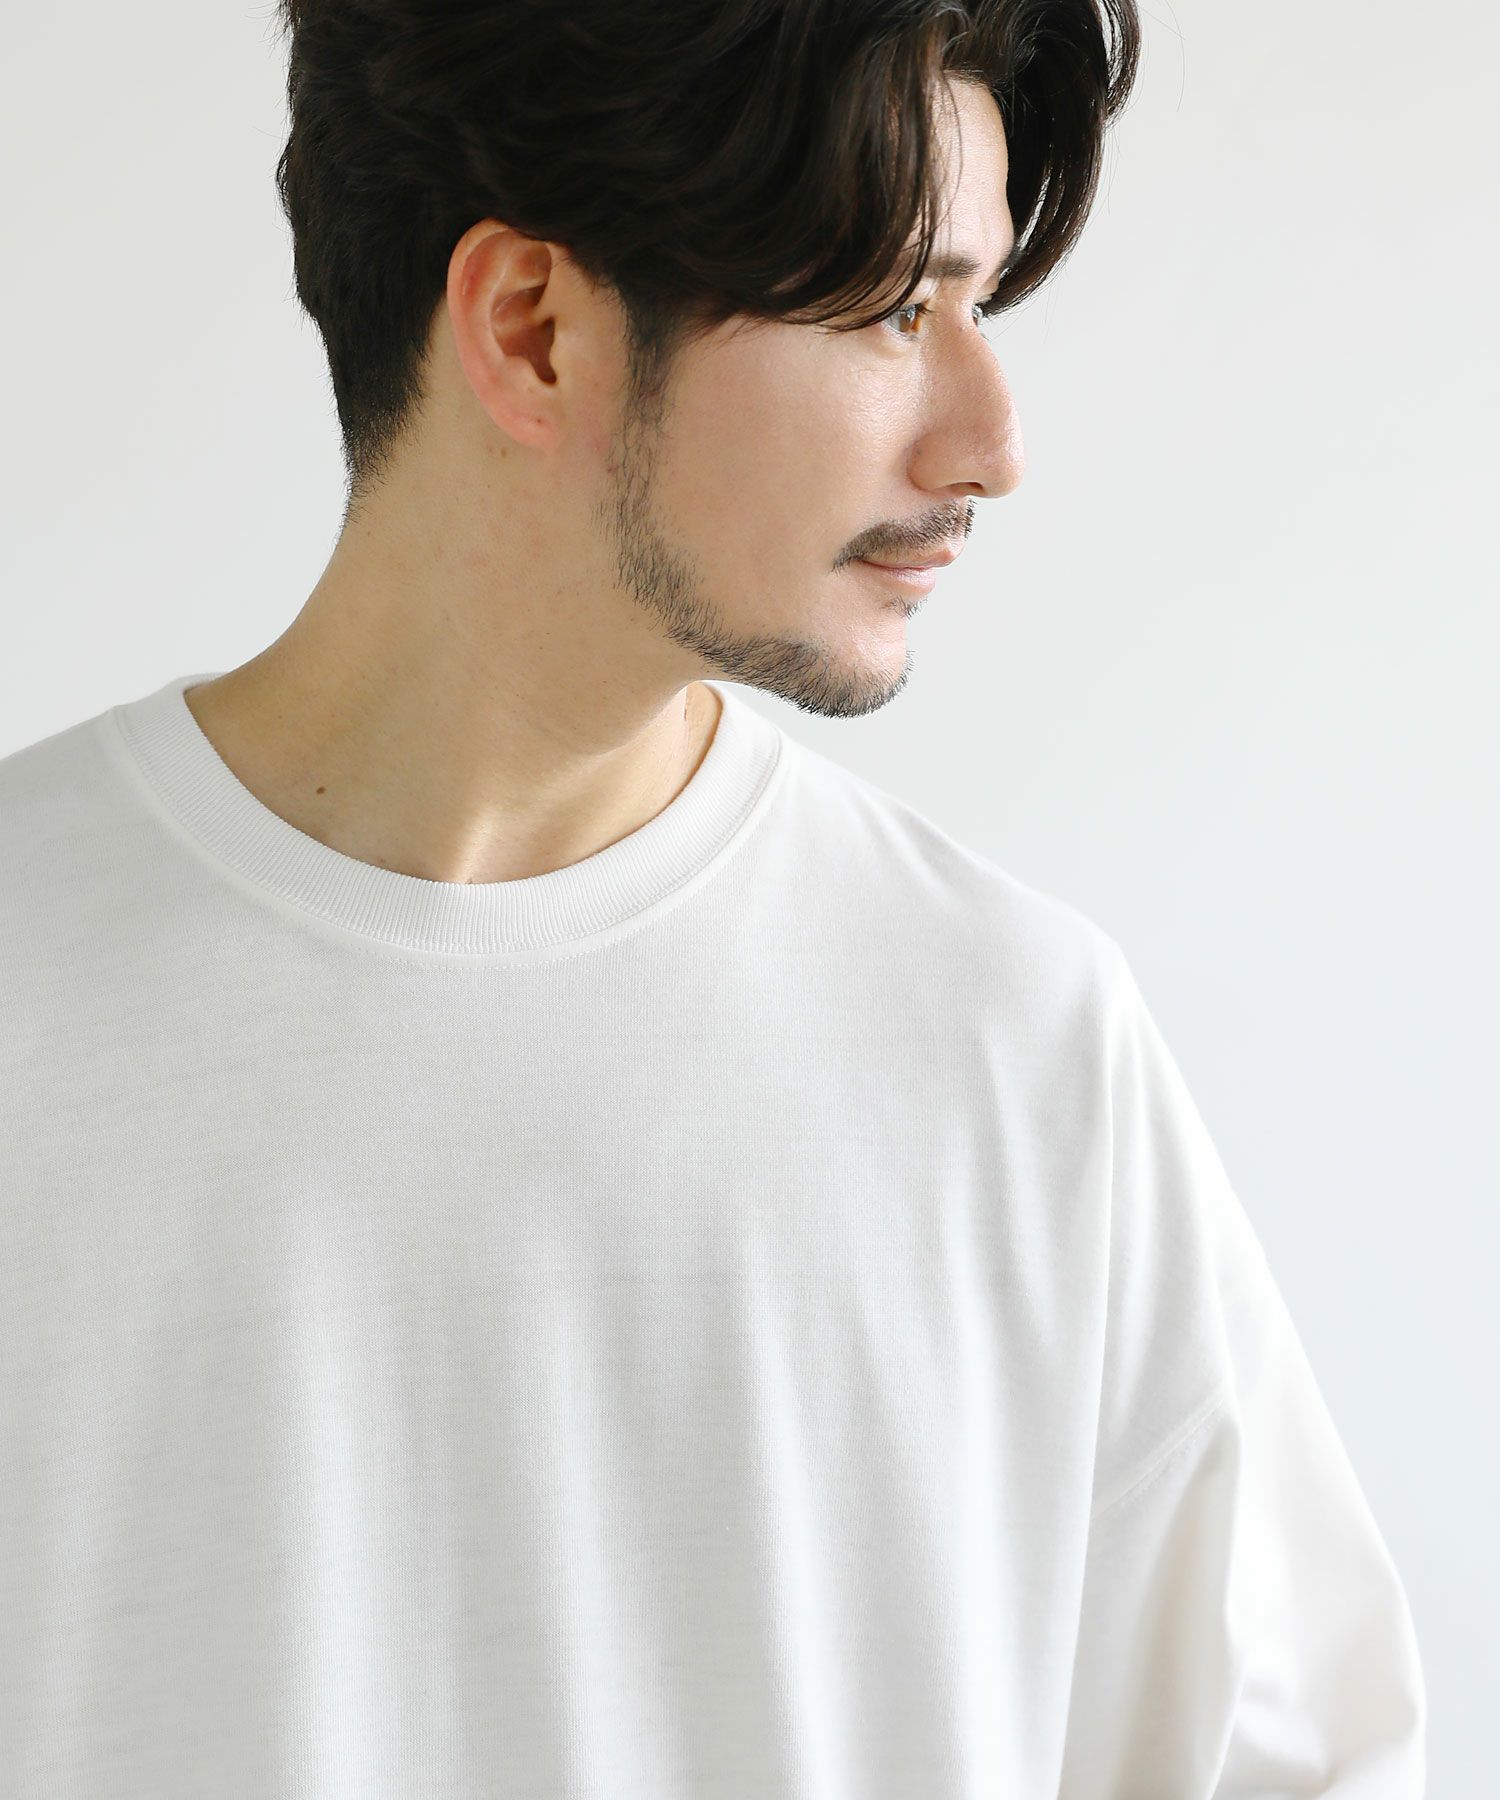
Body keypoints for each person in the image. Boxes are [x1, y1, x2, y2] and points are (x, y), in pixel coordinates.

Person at [0, 1, 1426, 1793]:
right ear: (532, 329)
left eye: (979, 308)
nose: (991, 442)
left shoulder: (1013, 1049)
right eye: (896, 309)